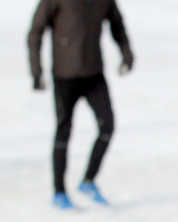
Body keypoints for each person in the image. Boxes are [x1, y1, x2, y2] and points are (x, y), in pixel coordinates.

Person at [27, 0, 134, 209]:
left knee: (107, 126)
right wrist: (36, 71)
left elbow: (117, 24)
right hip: (64, 75)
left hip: (93, 74)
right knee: (64, 130)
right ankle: (59, 192)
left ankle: (88, 181)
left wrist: (126, 53)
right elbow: (35, 31)